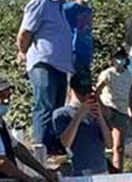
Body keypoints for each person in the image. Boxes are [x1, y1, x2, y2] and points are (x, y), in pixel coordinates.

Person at [17, 0, 74, 156]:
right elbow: (25, 32)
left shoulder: (60, 6)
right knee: (44, 105)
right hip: (44, 63)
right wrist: (23, 52)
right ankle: (40, 149)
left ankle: (53, 148)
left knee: (56, 109)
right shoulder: (41, 2)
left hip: (60, 67)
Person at [0, 76, 57, 182]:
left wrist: (45, 173)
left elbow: (19, 150)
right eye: (2, 96)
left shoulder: (2, 124)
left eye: (8, 96)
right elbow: (2, 162)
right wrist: (28, 180)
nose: (6, 101)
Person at [52, 74, 112, 176]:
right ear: (71, 90)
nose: (84, 96)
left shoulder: (95, 112)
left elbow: (109, 144)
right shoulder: (61, 113)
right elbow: (65, 144)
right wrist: (79, 114)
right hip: (77, 172)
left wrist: (101, 118)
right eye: (80, 93)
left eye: (87, 92)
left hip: (101, 170)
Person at [96, 48, 132, 172]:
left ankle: (118, 171)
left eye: (122, 57)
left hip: (122, 110)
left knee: (119, 146)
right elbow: (97, 92)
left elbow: (129, 95)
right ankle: (105, 168)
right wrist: (102, 108)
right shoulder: (107, 73)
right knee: (105, 143)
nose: (119, 60)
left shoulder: (129, 74)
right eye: (117, 57)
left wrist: (131, 111)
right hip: (108, 108)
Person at [62, 0, 93, 78]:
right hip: (73, 52)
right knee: (72, 82)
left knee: (82, 85)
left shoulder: (88, 9)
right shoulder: (68, 7)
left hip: (86, 52)